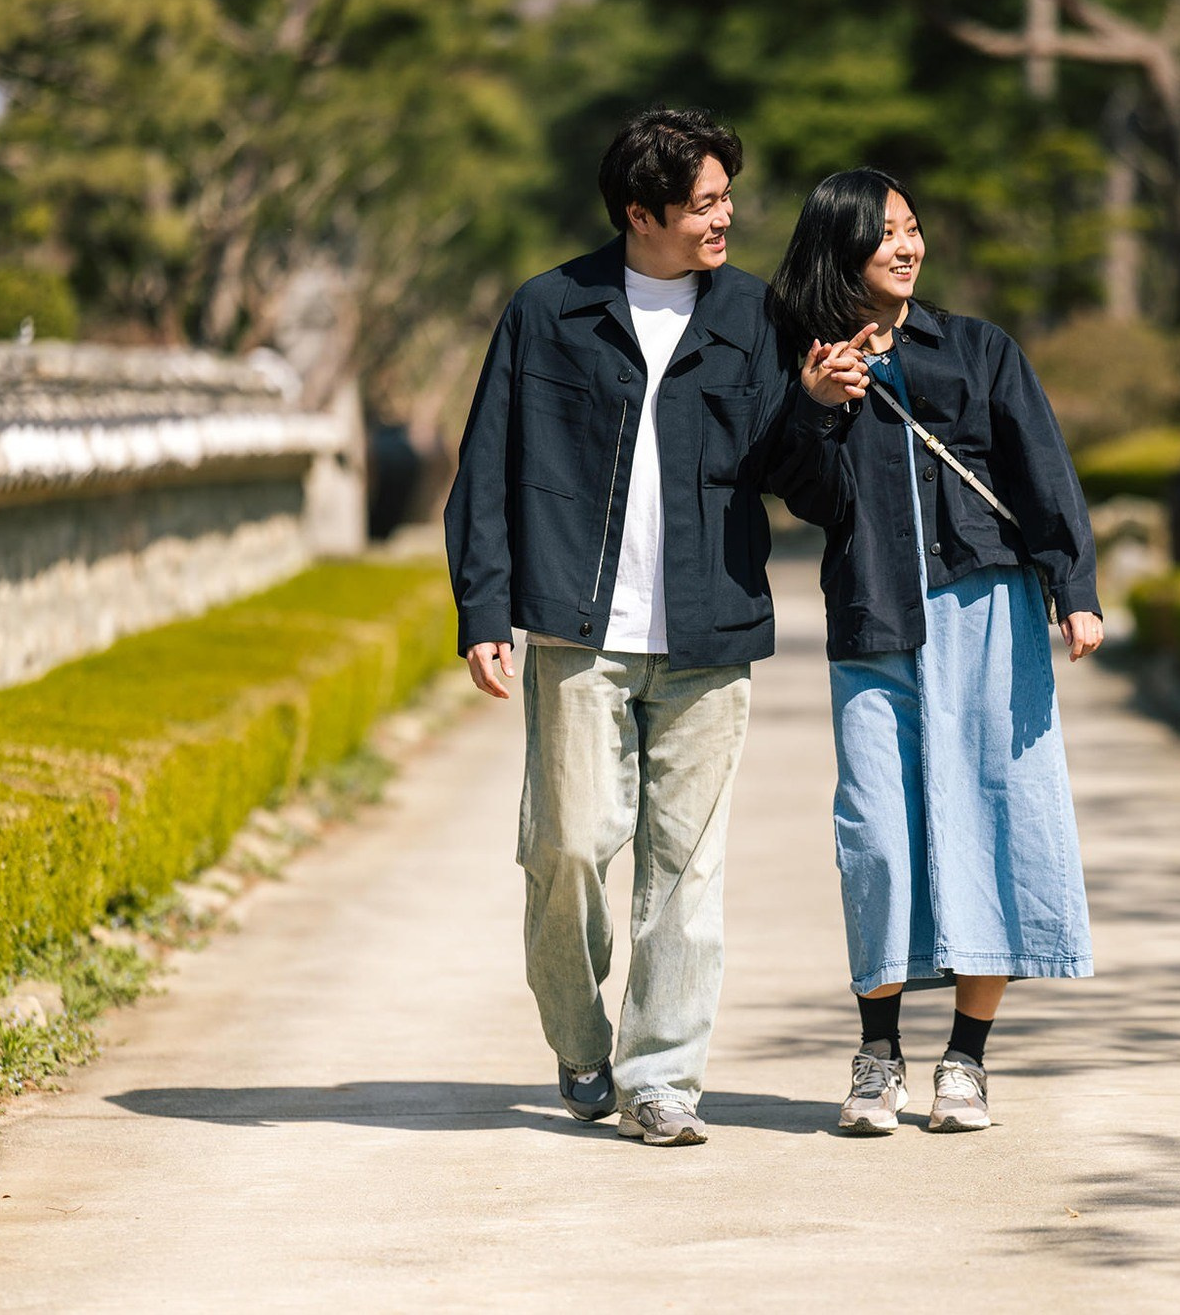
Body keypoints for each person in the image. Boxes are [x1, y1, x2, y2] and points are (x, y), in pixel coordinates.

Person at [444, 109, 861, 1147]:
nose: (726, 217)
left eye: (727, 198)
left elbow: (801, 489)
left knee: (686, 870)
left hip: (709, 631)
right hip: (578, 630)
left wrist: (811, 406)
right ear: (641, 213)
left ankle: (662, 1075)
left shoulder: (753, 320)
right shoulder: (549, 311)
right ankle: (580, 1040)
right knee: (568, 845)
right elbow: (487, 465)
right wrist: (480, 606)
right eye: (705, 203)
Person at [772, 169, 1103, 1135]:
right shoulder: (810, 363)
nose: (907, 248)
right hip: (873, 614)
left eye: (913, 229)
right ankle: (878, 1055)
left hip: (989, 608)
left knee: (992, 813)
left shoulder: (980, 347)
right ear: (843, 252)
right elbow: (801, 495)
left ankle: (966, 1061)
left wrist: (1073, 589)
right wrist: (813, 405)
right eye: (884, 236)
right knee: (876, 831)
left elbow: (1042, 466)